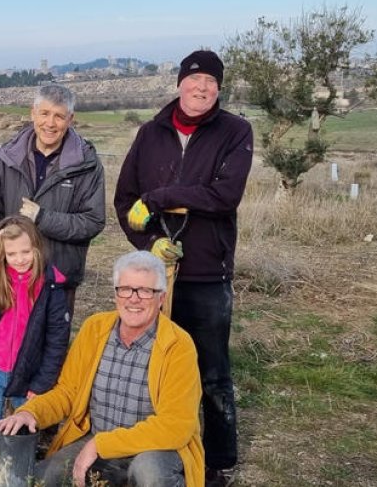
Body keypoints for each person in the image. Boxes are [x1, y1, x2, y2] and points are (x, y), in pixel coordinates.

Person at [113, 50, 253, 487]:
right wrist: (148, 241)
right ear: (179, 84)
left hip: (208, 274)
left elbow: (224, 195)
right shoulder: (150, 133)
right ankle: (158, 446)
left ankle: (217, 460)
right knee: (155, 366)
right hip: (155, 279)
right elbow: (125, 201)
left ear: (219, 88)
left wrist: (159, 198)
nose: (202, 88)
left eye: (211, 82)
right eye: (195, 80)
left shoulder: (235, 131)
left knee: (211, 371)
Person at [0, 251, 204, 487]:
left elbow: (176, 426)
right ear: (115, 294)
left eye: (145, 291)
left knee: (150, 473)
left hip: (154, 449)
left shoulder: (178, 345)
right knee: (45, 478)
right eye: (125, 289)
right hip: (97, 439)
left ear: (161, 297)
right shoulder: (95, 329)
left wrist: (100, 445)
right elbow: (67, 392)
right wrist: (30, 412)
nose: (133, 299)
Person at [0, 83, 105, 320]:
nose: (50, 123)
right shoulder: (8, 157)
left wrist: (43, 218)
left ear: (70, 119)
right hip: (9, 275)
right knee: (7, 347)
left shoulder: (86, 164)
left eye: (59, 116)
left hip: (59, 278)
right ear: (32, 113)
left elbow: (92, 221)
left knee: (51, 350)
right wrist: (4, 246)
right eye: (44, 113)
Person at [0, 214, 71, 487]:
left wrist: (43, 382)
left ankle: (17, 481)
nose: (20, 259)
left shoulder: (52, 286)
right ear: (2, 254)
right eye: (12, 254)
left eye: (26, 251)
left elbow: (57, 342)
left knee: (22, 438)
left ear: (37, 247)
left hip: (30, 374)